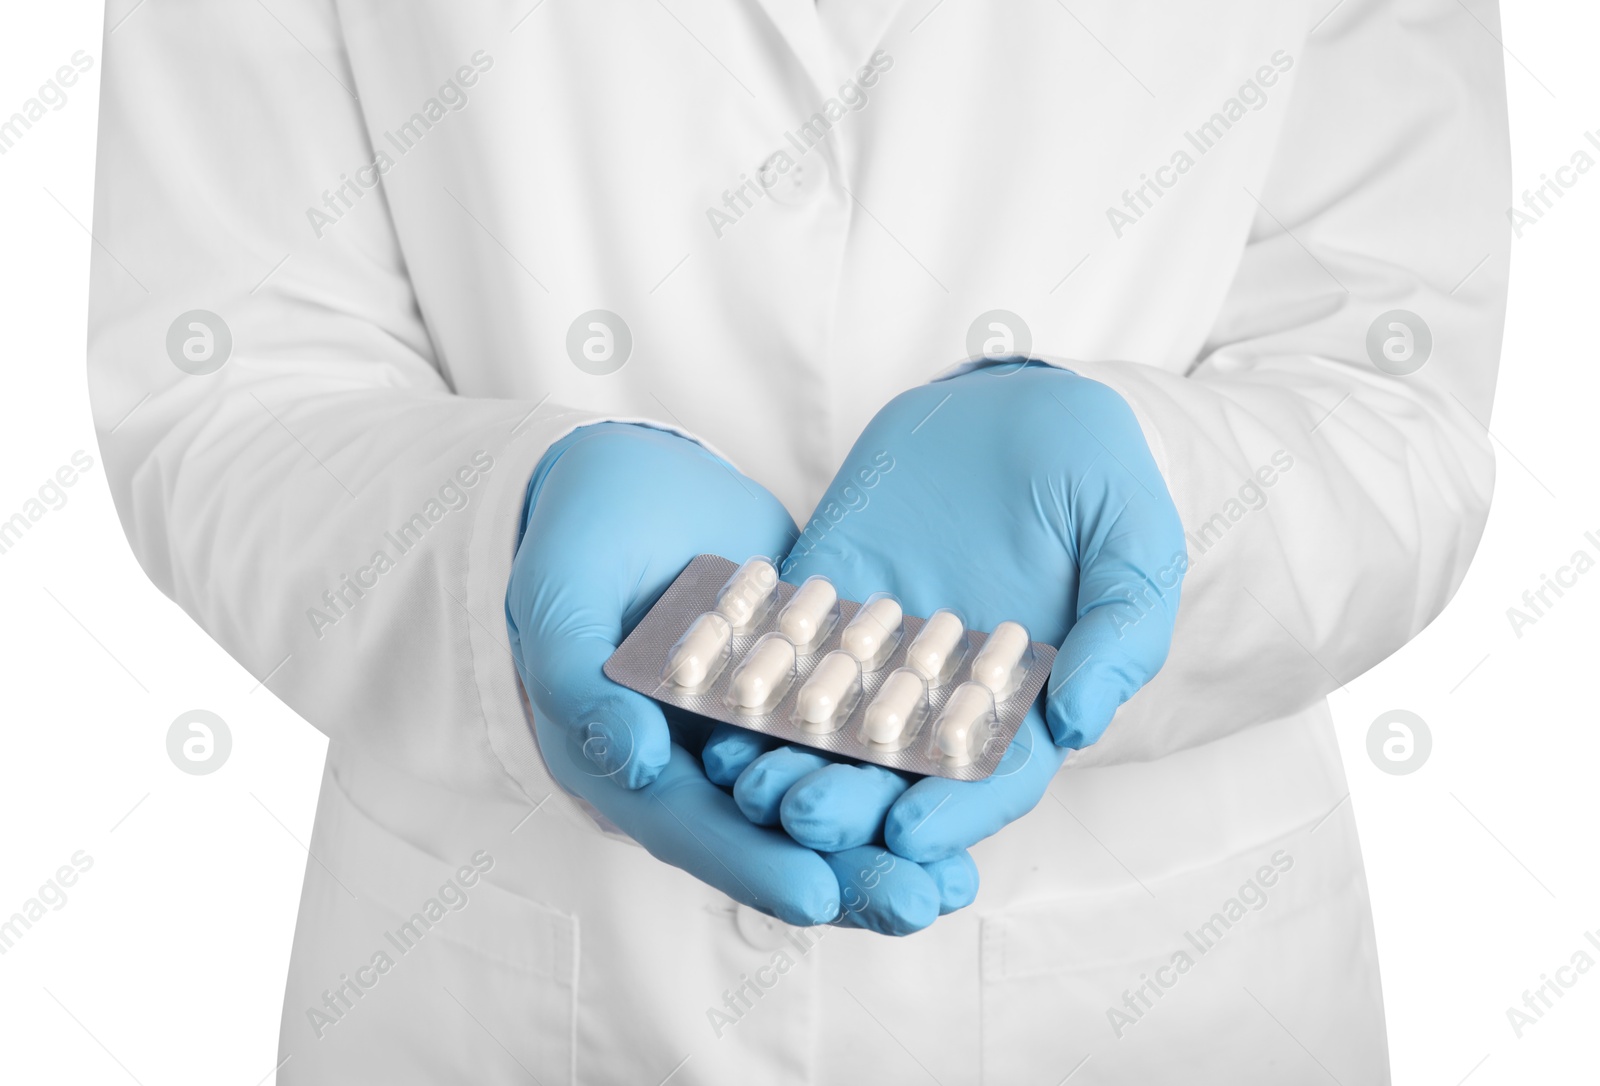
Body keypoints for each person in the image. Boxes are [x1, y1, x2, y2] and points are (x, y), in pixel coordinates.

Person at [88, 0, 1508, 1081]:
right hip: (494, 994)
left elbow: (1390, 385)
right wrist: (499, 526)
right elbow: (229, 375)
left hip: (1171, 992)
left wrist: (1159, 494)